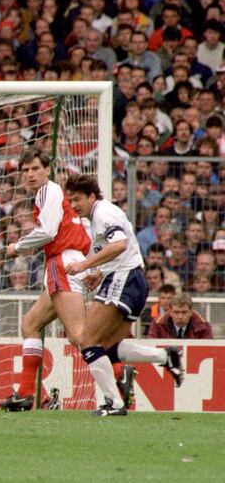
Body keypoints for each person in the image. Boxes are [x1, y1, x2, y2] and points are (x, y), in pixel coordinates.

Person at [64, 174, 184, 417]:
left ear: (91, 196)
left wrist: (86, 265)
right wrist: (99, 273)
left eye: (77, 199)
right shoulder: (98, 216)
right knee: (106, 346)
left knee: (87, 339)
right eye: (70, 201)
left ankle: (114, 403)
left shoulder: (102, 213)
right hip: (132, 280)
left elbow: (118, 245)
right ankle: (165, 355)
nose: (73, 205)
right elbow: (120, 249)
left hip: (124, 279)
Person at [0, 148, 91, 412]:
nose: (30, 174)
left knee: (78, 335)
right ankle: (32, 395)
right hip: (67, 261)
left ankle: (119, 369)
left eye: (35, 168)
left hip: (62, 262)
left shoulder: (49, 191)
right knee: (30, 324)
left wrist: (17, 246)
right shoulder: (51, 195)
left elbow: (48, 232)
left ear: (47, 169)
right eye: (25, 170)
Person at [148, 293, 214, 339]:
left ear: (191, 312)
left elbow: (209, 351)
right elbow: (152, 349)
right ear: (170, 312)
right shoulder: (157, 324)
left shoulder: (204, 327)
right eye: (176, 312)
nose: (180, 316)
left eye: (184, 312)